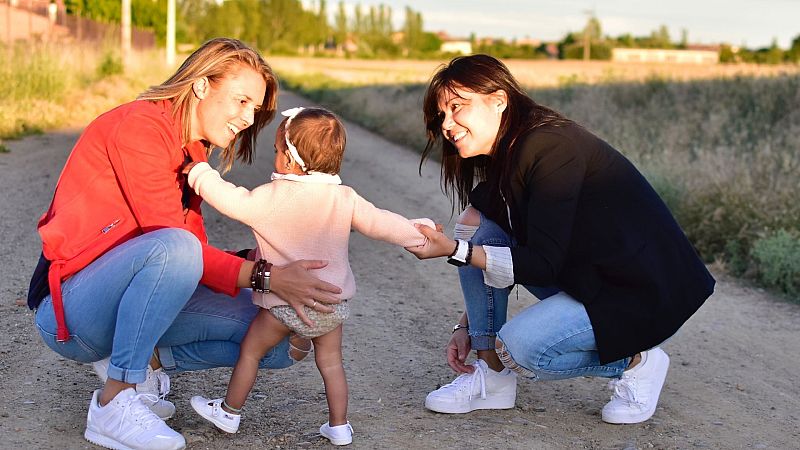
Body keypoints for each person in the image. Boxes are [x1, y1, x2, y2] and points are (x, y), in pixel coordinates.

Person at [27, 38, 342, 450]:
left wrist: (273, 269)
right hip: (72, 309)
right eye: (241, 101)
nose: (248, 119)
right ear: (200, 86)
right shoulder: (139, 128)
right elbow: (174, 246)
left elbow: (194, 253)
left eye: (255, 108)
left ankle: (145, 368)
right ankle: (114, 401)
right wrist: (265, 276)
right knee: (179, 250)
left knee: (281, 332)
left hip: (130, 293)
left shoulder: (191, 151)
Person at [406, 54, 716, 424]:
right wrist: (470, 327)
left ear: (499, 99)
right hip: (590, 277)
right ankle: (491, 378)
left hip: (638, 291)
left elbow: (540, 262)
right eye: (441, 115)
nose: (447, 124)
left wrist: (456, 250)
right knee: (479, 228)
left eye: (457, 107)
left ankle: (636, 361)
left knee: (520, 348)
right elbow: (504, 246)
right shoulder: (510, 154)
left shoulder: (549, 146)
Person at [184, 106, 433, 446]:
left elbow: (231, 201)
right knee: (331, 364)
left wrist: (200, 174)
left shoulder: (273, 197)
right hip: (331, 306)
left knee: (251, 353)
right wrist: (419, 231)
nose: (275, 156)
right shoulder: (344, 197)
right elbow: (381, 223)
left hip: (281, 307)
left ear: (288, 158)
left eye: (276, 151)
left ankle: (229, 411)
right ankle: (340, 425)